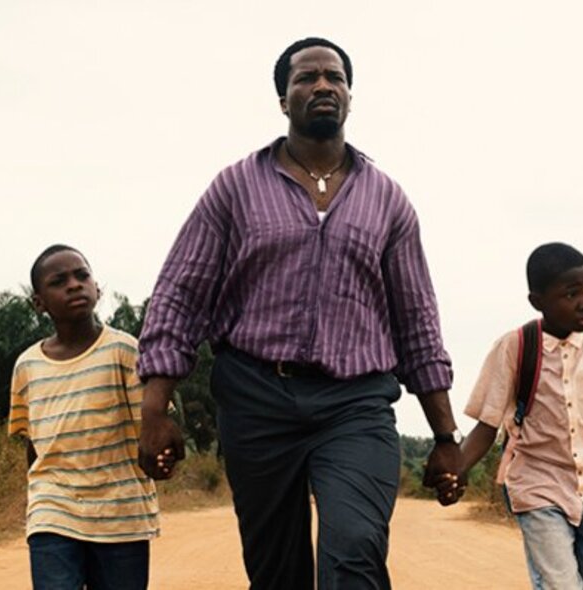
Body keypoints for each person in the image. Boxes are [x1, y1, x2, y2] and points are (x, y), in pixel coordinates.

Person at [136, 37, 464, 590]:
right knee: (276, 571)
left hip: (355, 403)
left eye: (334, 77)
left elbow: (417, 323)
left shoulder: (388, 200)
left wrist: (446, 436)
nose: (322, 86)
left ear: (351, 96)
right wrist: (155, 408)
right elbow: (181, 294)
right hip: (256, 398)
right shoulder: (235, 187)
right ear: (283, 100)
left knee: (356, 548)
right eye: (306, 78)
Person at [440, 242, 583, 589]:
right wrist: (456, 471)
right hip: (539, 487)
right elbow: (486, 425)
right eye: (571, 294)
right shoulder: (515, 347)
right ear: (537, 301)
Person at [8, 244, 159, 590]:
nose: (74, 285)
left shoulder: (125, 350)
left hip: (121, 514)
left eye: (82, 276)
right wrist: (38, 495)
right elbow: (34, 444)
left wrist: (160, 458)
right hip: (52, 509)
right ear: (39, 303)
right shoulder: (27, 366)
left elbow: (151, 431)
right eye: (59, 281)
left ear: (97, 288)